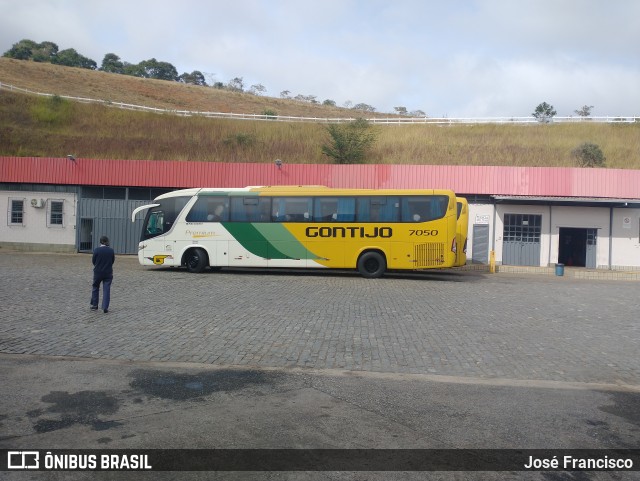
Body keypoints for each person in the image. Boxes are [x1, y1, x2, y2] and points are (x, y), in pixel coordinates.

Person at [91, 235, 115, 313]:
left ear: (100, 242)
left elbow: (93, 261)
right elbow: (112, 261)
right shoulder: (111, 251)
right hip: (108, 272)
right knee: (106, 289)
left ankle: (94, 305)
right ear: (106, 242)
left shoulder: (96, 250)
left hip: (98, 272)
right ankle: (105, 307)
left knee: (95, 287)